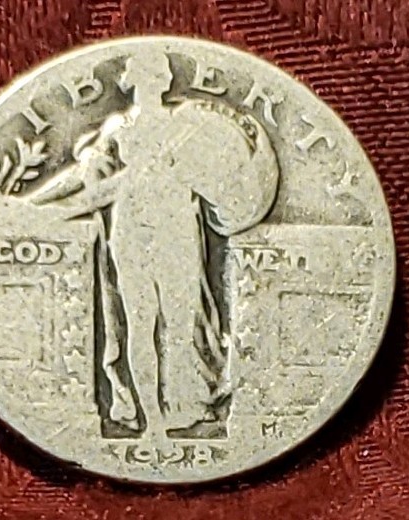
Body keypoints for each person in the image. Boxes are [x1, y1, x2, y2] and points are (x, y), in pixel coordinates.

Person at [25, 51, 280, 442]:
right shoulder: (118, 127)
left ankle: (179, 409)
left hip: (177, 232)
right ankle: (153, 422)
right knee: (140, 327)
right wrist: (32, 205)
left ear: (163, 81)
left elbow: (215, 181)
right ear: (132, 81)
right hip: (131, 232)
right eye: (144, 75)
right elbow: (85, 177)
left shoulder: (188, 125)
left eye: (155, 75)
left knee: (178, 327)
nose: (151, 82)